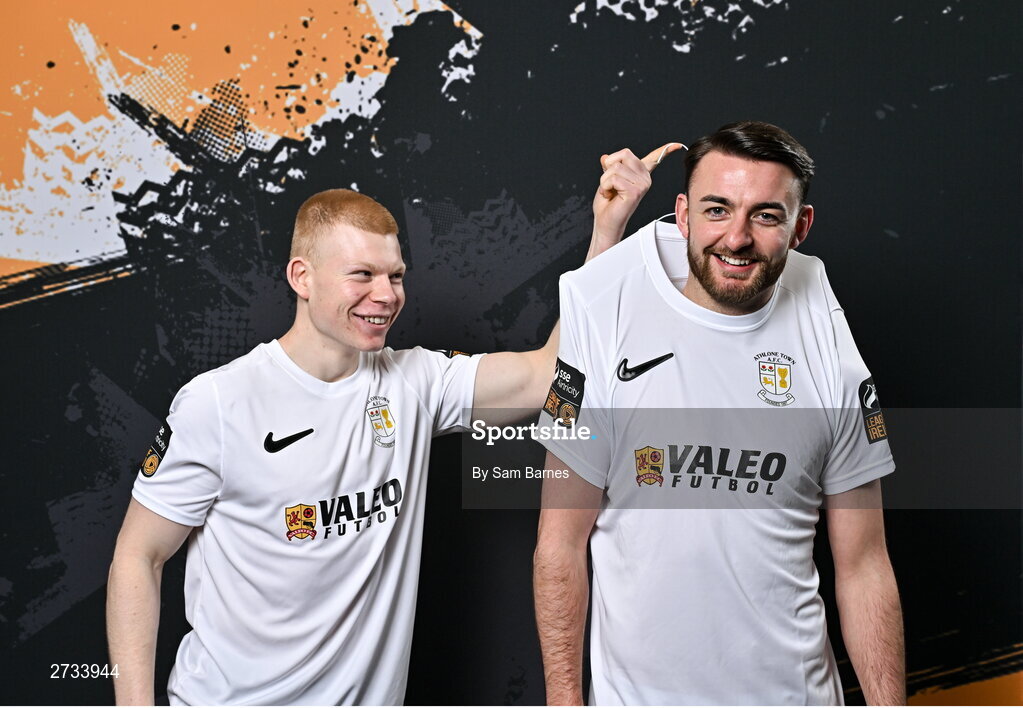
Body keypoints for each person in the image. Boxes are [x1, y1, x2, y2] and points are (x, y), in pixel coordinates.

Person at [106, 146, 679, 706]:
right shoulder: (217, 404)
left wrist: (607, 229)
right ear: (302, 277)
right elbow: (138, 557)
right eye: (362, 275)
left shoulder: (414, 382)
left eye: (396, 275)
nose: (385, 296)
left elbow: (544, 374)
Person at [533, 121, 905, 705]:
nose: (735, 238)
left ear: (800, 227)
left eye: (765, 215)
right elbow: (559, 546)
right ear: (682, 215)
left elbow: (864, 564)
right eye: (716, 210)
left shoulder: (828, 346)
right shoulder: (606, 318)